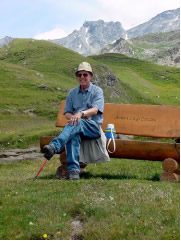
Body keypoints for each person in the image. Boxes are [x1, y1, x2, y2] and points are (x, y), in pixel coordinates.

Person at [42, 62, 104, 180]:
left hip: (93, 127)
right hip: (76, 126)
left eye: (85, 74)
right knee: (73, 134)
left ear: (90, 76)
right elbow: (66, 113)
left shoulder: (97, 91)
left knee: (77, 123)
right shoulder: (72, 93)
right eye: (79, 75)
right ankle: (74, 172)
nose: (82, 77)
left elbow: (95, 110)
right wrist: (74, 117)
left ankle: (54, 147)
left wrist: (80, 114)